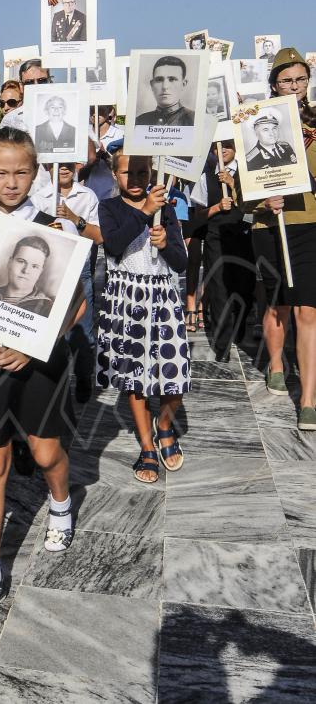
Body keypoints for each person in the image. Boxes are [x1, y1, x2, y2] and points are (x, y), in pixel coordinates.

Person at [0, 127, 85, 628]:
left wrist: (34, 346)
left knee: (46, 450)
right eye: (1, 173)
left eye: (22, 172)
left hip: (39, 362)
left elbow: (76, 306)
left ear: (36, 173)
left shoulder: (58, 229)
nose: (12, 182)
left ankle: (61, 500)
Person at [97, 153, 189, 483]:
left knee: (173, 373)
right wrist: (145, 212)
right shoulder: (109, 208)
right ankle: (147, 445)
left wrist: (165, 244)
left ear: (150, 171)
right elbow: (115, 244)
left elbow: (180, 263)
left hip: (162, 298)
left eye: (141, 171)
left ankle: (164, 425)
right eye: (127, 172)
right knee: (135, 379)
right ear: (115, 174)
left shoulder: (168, 206)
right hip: (126, 299)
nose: (135, 178)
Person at [248, 48, 316, 430]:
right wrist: (262, 197)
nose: (295, 86)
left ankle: (308, 398)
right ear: (274, 83)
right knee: (278, 305)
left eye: (301, 79)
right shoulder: (253, 122)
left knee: (309, 308)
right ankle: (276, 362)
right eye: (287, 80)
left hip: (309, 221)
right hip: (269, 224)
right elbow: (243, 185)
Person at [33, 162, 102, 401]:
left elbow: (99, 236)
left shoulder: (88, 195)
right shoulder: (39, 196)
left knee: (82, 328)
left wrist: (75, 219)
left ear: (77, 165)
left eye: (68, 163)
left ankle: (84, 376)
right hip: (48, 266)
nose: (63, 168)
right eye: (58, 163)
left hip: (78, 265)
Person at [191, 141, 255, 361]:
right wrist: (217, 207)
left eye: (228, 144)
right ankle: (223, 344)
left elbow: (256, 209)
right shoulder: (205, 176)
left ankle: (241, 331)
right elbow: (198, 214)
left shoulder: (249, 172)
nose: (223, 149)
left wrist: (234, 185)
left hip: (244, 234)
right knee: (218, 288)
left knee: (245, 285)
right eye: (219, 146)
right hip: (216, 236)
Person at [0, 235, 55, 316]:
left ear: (40, 272)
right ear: (10, 262)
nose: (26, 270)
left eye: (35, 266)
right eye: (21, 261)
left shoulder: (47, 308)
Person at [136, 55, 194, 126]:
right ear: (152, 85)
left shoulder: (194, 119)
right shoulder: (140, 121)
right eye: (159, 80)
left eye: (172, 79)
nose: (165, 87)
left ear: (183, 84)